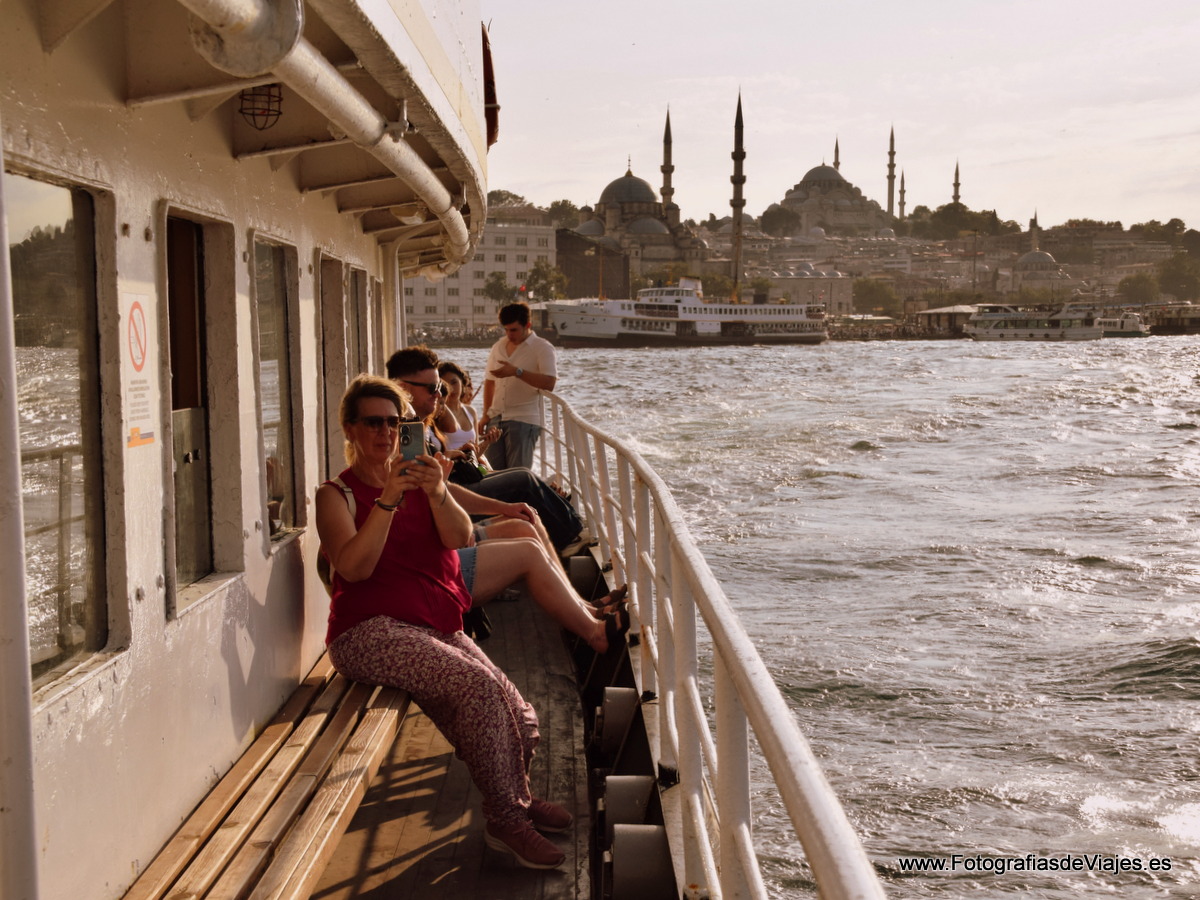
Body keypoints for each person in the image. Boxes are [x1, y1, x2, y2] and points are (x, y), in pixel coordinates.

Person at [316, 374, 573, 868]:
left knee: (521, 716)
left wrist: (437, 492)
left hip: (435, 624)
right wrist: (388, 498)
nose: (385, 433)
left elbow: (461, 539)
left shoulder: (423, 478)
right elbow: (354, 567)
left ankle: (514, 794)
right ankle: (506, 819)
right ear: (350, 430)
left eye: (395, 423)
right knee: (479, 690)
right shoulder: (336, 495)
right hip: (368, 632)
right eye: (372, 423)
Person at [387, 346, 583, 553]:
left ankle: (571, 535)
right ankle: (572, 537)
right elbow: (425, 493)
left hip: (450, 498)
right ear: (402, 388)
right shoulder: (402, 430)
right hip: (444, 518)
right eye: (431, 388)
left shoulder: (416, 424)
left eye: (439, 387)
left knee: (525, 485)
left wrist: (447, 456)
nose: (438, 394)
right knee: (523, 484)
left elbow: (432, 483)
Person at [481, 301, 557, 471]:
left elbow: (549, 383)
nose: (509, 334)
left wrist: (517, 372)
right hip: (496, 418)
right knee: (492, 474)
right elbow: (490, 381)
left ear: (527, 325)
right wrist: (486, 415)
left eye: (514, 330)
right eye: (506, 329)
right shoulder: (498, 346)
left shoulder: (542, 348)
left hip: (523, 419)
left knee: (517, 476)